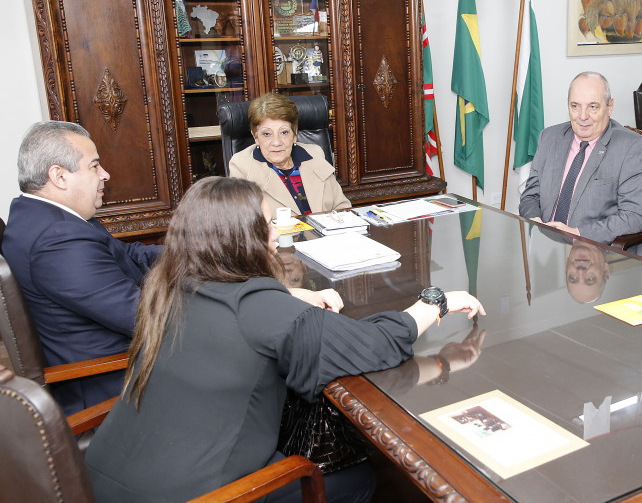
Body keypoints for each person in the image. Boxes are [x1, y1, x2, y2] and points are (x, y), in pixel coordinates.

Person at [84, 176, 485, 503]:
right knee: (362, 479)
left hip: (106, 474)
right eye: (268, 224)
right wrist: (435, 303)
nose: (276, 233)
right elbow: (373, 344)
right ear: (243, 239)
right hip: (198, 494)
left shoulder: (169, 286)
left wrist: (292, 295)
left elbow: (238, 306)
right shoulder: (261, 310)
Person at [2, 121, 163, 415]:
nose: (105, 175)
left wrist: (195, 253)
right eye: (94, 166)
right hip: (116, 382)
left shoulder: (48, 217)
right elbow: (143, 316)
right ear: (59, 176)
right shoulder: (57, 239)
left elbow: (128, 255)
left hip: (120, 357)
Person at [519, 71, 642, 250]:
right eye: (575, 106)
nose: (582, 116)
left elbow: (635, 216)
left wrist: (577, 233)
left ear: (610, 106)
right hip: (545, 250)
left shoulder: (632, 148)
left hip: (595, 254)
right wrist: (535, 221)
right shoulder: (549, 137)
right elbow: (530, 196)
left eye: (593, 107)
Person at [229, 92, 350, 219]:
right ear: (256, 137)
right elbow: (242, 224)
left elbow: (342, 208)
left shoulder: (315, 154)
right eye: (266, 134)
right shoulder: (242, 166)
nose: (276, 142)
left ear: (295, 134)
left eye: (284, 132)